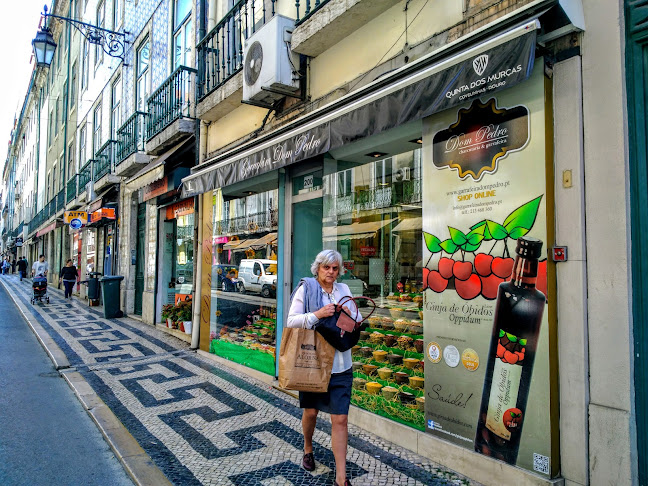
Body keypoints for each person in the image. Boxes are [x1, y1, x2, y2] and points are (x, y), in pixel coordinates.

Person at [287, 249, 359, 486]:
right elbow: (291, 321)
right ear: (317, 268)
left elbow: (357, 321)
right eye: (326, 267)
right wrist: (317, 314)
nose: (331, 272)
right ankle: (308, 448)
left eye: (335, 268)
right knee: (311, 413)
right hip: (314, 365)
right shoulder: (306, 289)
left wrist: (350, 315)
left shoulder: (344, 290)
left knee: (340, 420)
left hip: (341, 366)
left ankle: (341, 477)